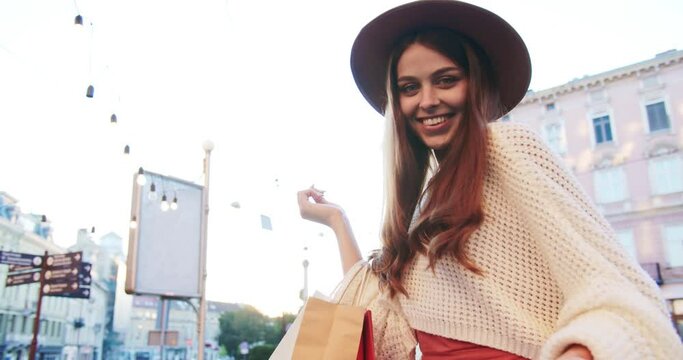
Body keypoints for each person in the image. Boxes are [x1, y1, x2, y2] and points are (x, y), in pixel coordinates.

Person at [297, 1, 683, 359]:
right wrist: (338, 222)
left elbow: (620, 298)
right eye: (409, 88)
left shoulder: (509, 147)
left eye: (446, 80)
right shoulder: (425, 203)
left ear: (474, 84)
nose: (427, 100)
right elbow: (374, 321)